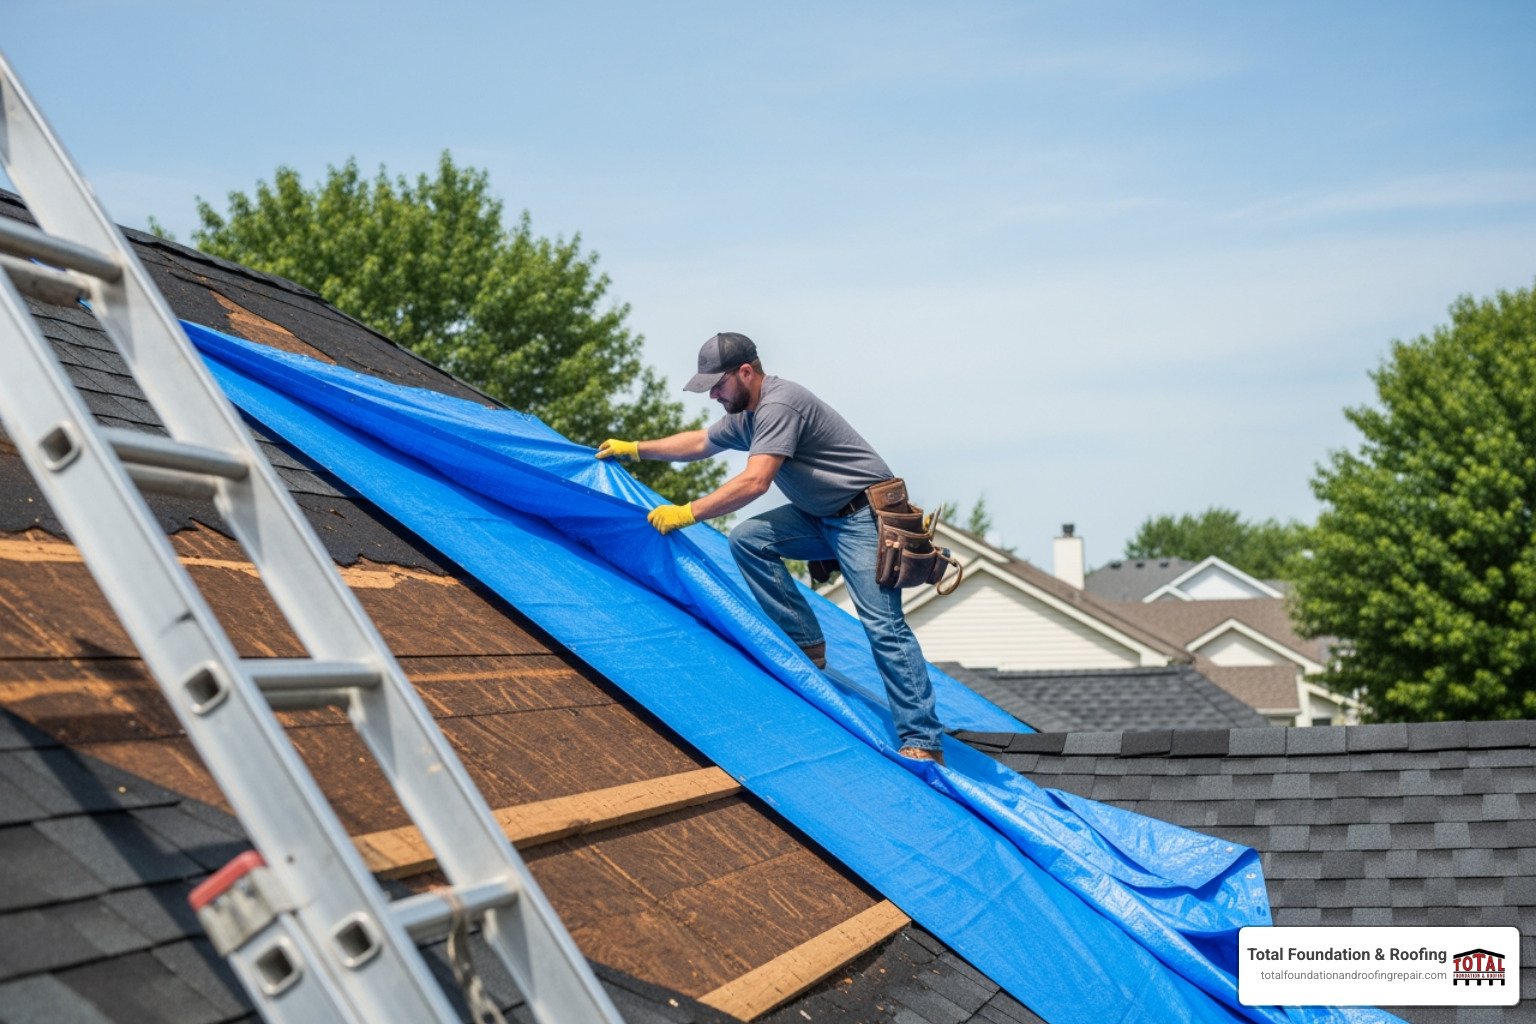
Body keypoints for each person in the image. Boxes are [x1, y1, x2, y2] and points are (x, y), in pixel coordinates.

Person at [596, 332, 945, 765]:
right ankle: (807, 642)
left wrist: (687, 512)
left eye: (718, 386)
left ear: (746, 372)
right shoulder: (748, 414)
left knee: (883, 627)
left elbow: (755, 481)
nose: (714, 397)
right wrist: (635, 450)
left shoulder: (779, 404)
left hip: (863, 518)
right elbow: (700, 443)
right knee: (749, 539)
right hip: (821, 517)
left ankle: (924, 741)